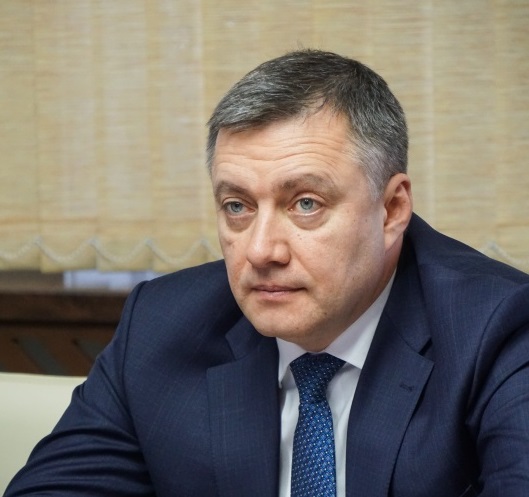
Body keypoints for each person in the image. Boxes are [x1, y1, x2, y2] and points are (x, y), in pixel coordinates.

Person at [5, 49, 529, 497]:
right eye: (237, 206)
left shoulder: (497, 329)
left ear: (391, 209)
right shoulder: (161, 326)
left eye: (305, 204)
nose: (260, 251)